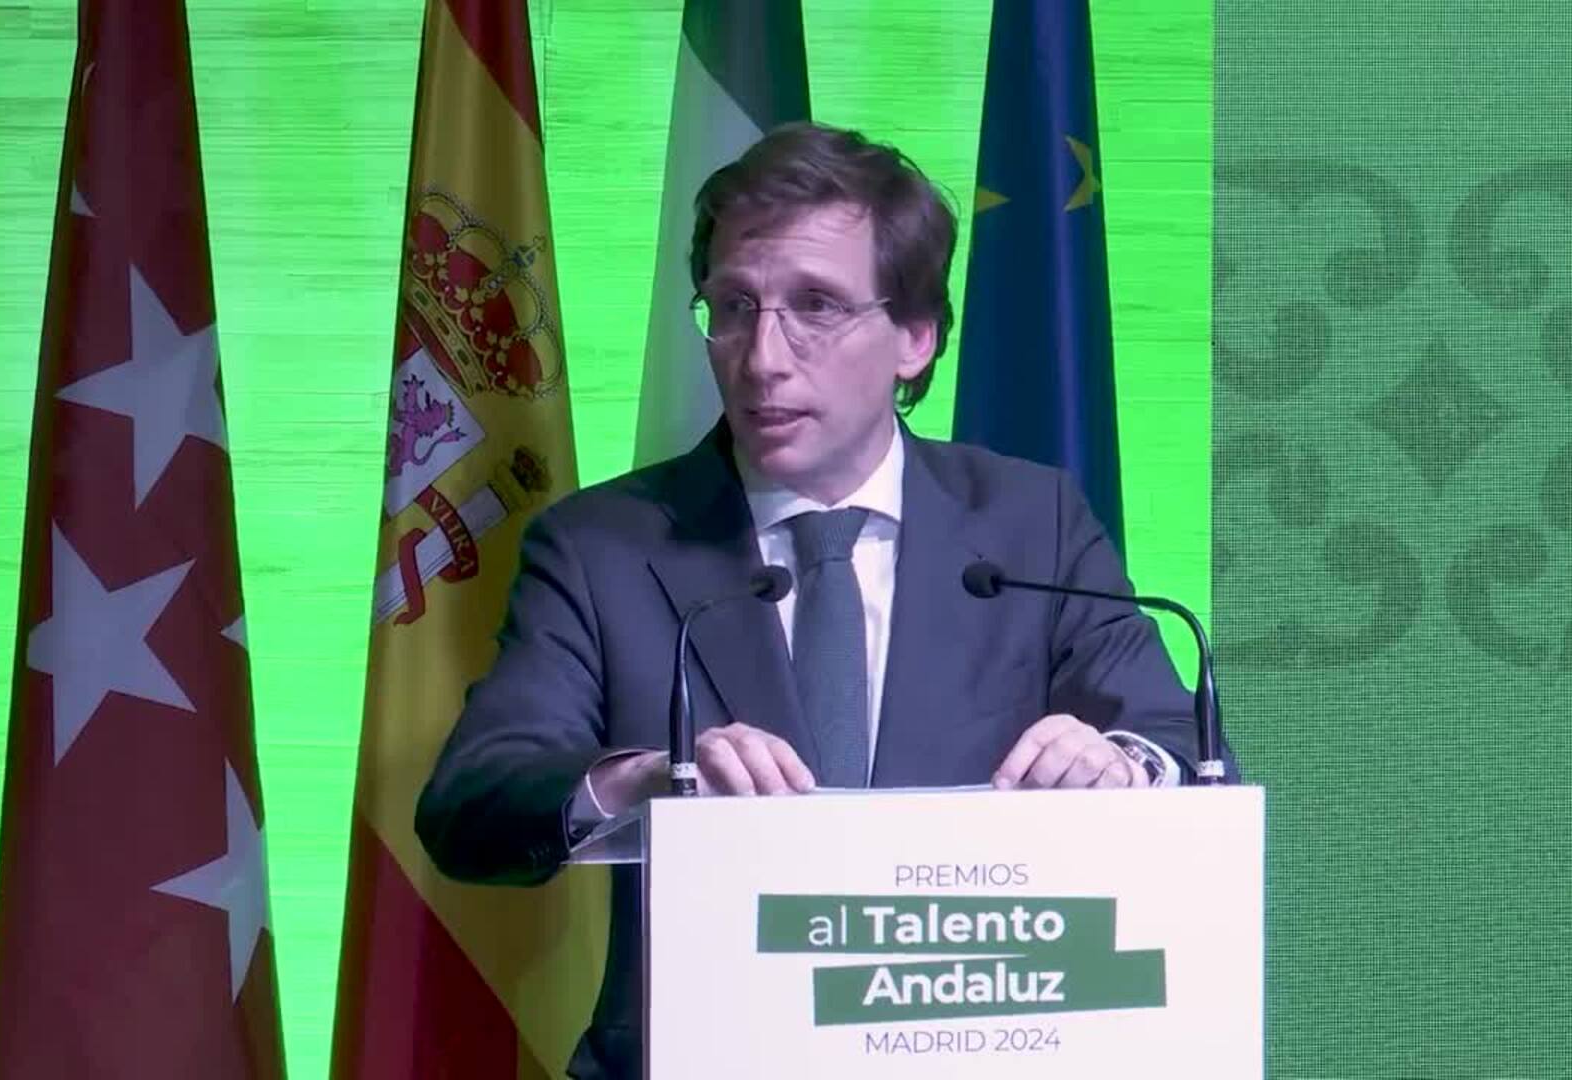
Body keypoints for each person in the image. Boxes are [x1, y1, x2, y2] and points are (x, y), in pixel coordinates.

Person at [416, 121, 1232, 1079]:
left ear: (915, 338)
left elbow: (1184, 747)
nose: (763, 358)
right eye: (734, 306)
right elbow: (472, 803)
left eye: (816, 306)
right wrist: (646, 783)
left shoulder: (1030, 525)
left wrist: (1121, 767)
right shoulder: (602, 547)